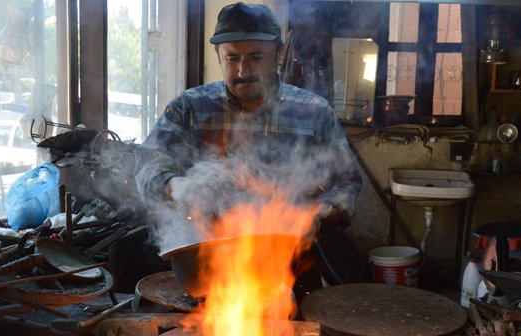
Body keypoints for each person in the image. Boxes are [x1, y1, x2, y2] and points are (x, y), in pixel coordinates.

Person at [134, 2, 362, 299]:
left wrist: (315, 218)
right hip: (209, 265)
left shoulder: (313, 112)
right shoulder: (189, 108)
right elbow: (147, 164)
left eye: (255, 57)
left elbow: (347, 183)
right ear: (218, 56)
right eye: (232, 58)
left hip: (291, 262)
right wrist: (175, 185)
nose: (243, 71)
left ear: (278, 55)